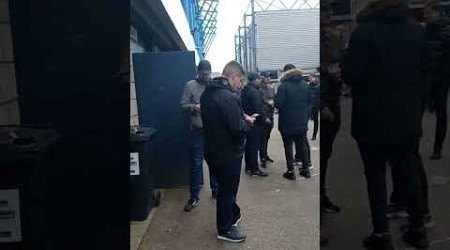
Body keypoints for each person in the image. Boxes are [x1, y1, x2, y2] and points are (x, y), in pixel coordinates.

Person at [342, 0, 429, 248]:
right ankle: (417, 229)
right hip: (407, 118)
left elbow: (352, 74)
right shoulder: (416, 30)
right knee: (408, 173)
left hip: (372, 120)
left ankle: (382, 234)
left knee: (376, 178)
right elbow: (426, 72)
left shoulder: (365, 32)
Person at [201, 60, 255, 243]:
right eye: (240, 80)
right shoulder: (228, 96)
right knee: (227, 191)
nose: (241, 84)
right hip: (228, 153)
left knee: (224, 189)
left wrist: (240, 117)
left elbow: (221, 120)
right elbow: (237, 128)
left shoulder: (207, 93)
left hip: (212, 151)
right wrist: (248, 123)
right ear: (232, 77)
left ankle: (233, 213)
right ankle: (224, 229)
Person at [180, 60, 219, 212]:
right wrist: (194, 107)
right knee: (196, 165)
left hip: (213, 131)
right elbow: (183, 105)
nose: (205, 77)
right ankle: (194, 196)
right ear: (198, 72)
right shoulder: (190, 86)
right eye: (203, 74)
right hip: (197, 131)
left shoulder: (213, 85)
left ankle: (216, 190)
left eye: (208, 74)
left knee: (214, 162)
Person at [320, 0, 342, 214]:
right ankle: (320, 200)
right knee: (323, 154)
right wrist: (322, 104)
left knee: (326, 154)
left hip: (334, 100)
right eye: (323, 9)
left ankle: (322, 197)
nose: (328, 13)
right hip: (326, 104)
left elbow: (339, 64)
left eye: (329, 9)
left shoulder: (332, 37)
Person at [423, 1, 450, 160]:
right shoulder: (424, 31)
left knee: (441, 112)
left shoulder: (446, 31)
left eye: (429, 13)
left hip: (441, 78)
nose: (425, 16)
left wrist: (442, 75)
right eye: (425, 13)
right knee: (419, 109)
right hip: (427, 77)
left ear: (438, 13)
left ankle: (437, 147)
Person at [275, 64, 311, 181]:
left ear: (285, 73)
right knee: (302, 146)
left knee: (288, 147)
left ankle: (291, 172)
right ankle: (306, 170)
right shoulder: (305, 85)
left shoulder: (283, 86)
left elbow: (278, 104)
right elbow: (309, 102)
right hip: (301, 122)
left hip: (287, 123)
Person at [241, 72, 269, 177]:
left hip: (247, 121)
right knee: (254, 146)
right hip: (255, 122)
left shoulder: (244, 90)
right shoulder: (254, 92)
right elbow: (258, 109)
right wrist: (265, 119)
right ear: (254, 79)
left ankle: (248, 167)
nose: (260, 81)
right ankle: (254, 169)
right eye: (258, 79)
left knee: (249, 146)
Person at [258, 71, 276, 167]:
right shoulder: (259, 89)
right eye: (266, 77)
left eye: (268, 76)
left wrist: (273, 102)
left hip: (271, 114)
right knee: (263, 139)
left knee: (267, 137)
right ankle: (263, 158)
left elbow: (273, 99)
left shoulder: (270, 88)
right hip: (264, 116)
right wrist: (264, 117)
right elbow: (259, 105)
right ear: (261, 78)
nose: (268, 78)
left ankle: (265, 155)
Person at [309, 74, 320, 141]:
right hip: (310, 106)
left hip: (316, 106)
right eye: (309, 78)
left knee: (316, 121)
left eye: (310, 78)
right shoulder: (309, 86)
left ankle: (314, 135)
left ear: (314, 78)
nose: (309, 80)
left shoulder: (319, 86)